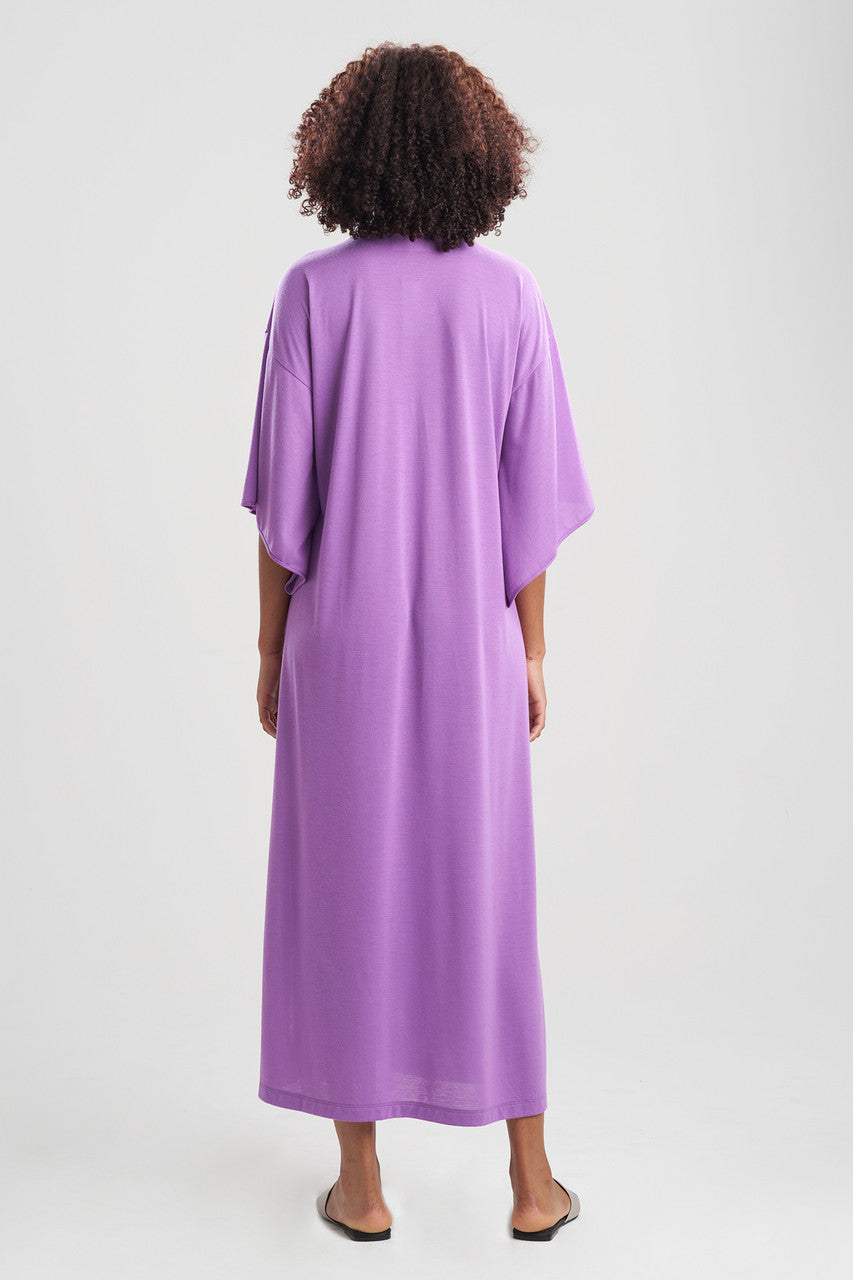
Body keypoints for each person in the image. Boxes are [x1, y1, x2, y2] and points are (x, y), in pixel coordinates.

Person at [240, 40, 594, 1242]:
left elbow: (282, 513)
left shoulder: (310, 295)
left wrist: (267, 648)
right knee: (489, 899)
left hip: (339, 644)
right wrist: (530, 652)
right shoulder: (512, 297)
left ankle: (361, 1184)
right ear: (476, 152)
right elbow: (529, 510)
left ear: (342, 154)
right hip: (472, 647)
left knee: (344, 893)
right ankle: (532, 1181)